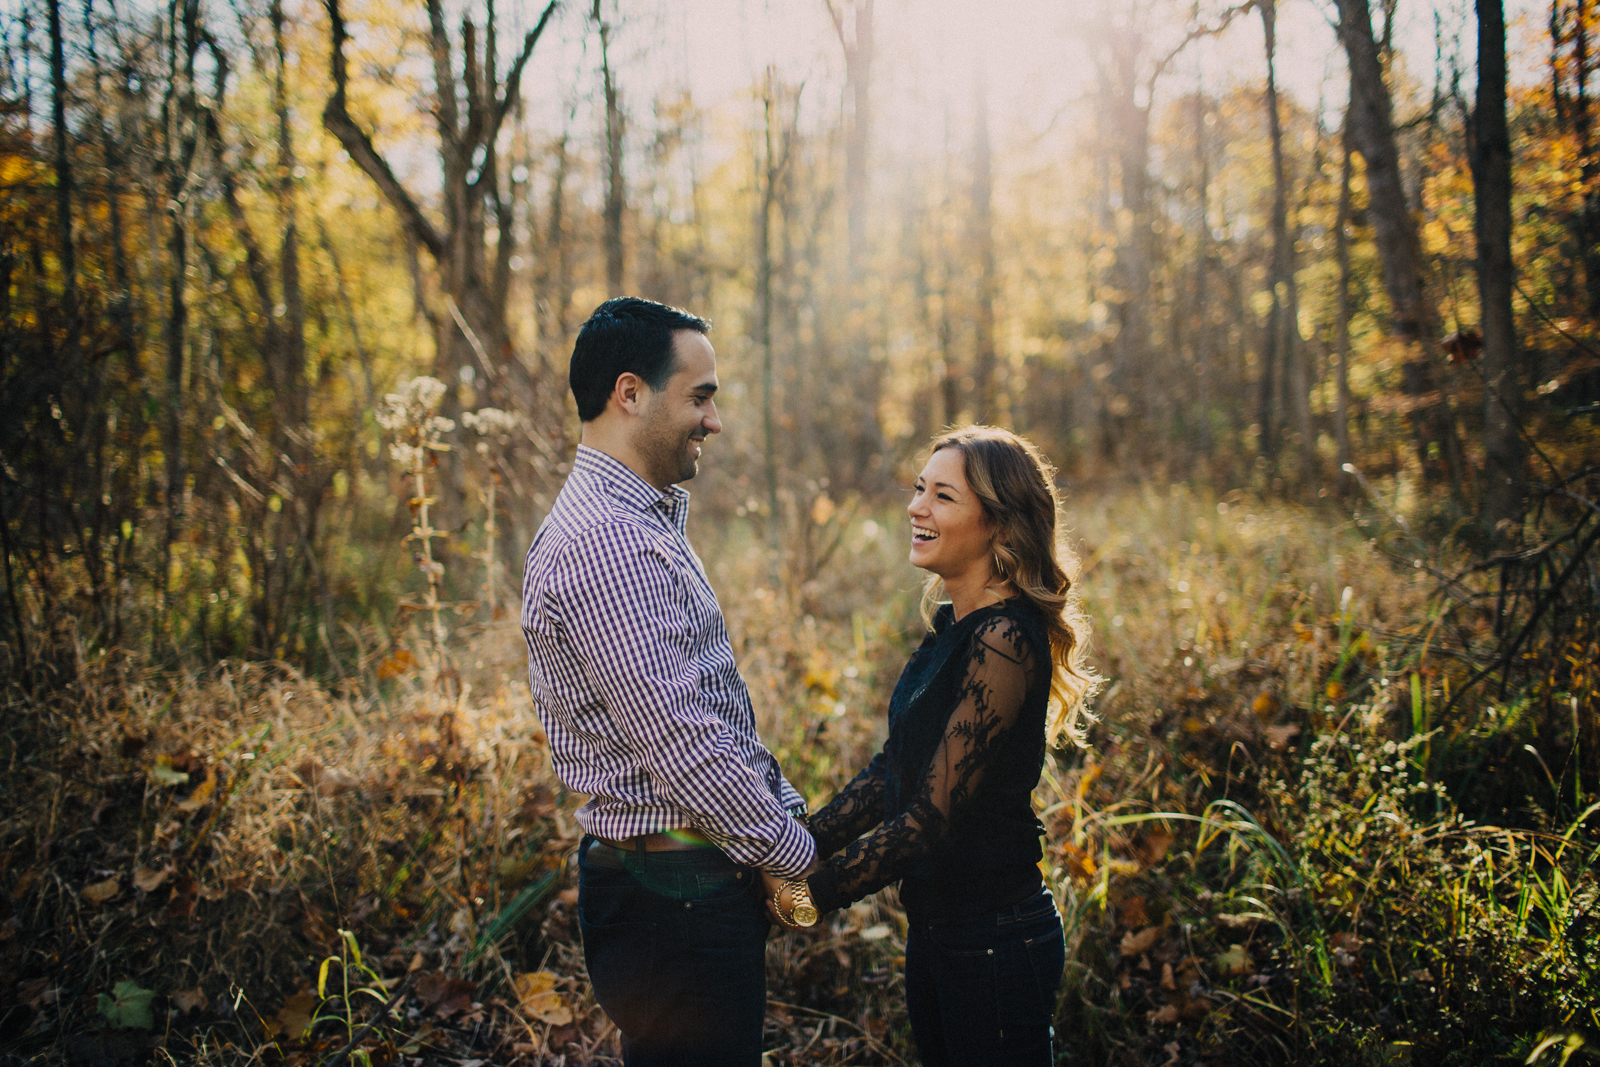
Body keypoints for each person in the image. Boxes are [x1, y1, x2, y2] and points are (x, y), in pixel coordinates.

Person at [520, 297, 815, 1067]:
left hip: (675, 877)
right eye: (701, 395)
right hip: (672, 887)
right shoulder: (609, 543)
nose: (714, 420)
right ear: (630, 393)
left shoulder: (630, 522)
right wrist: (790, 849)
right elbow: (684, 744)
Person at [767, 425, 1100, 1067]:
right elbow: (896, 767)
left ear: (1000, 526)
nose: (916, 507)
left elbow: (928, 820)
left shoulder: (1004, 639)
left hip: (995, 938)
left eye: (943, 497)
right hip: (942, 931)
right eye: (920, 490)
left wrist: (810, 892)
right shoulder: (956, 624)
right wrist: (801, 844)